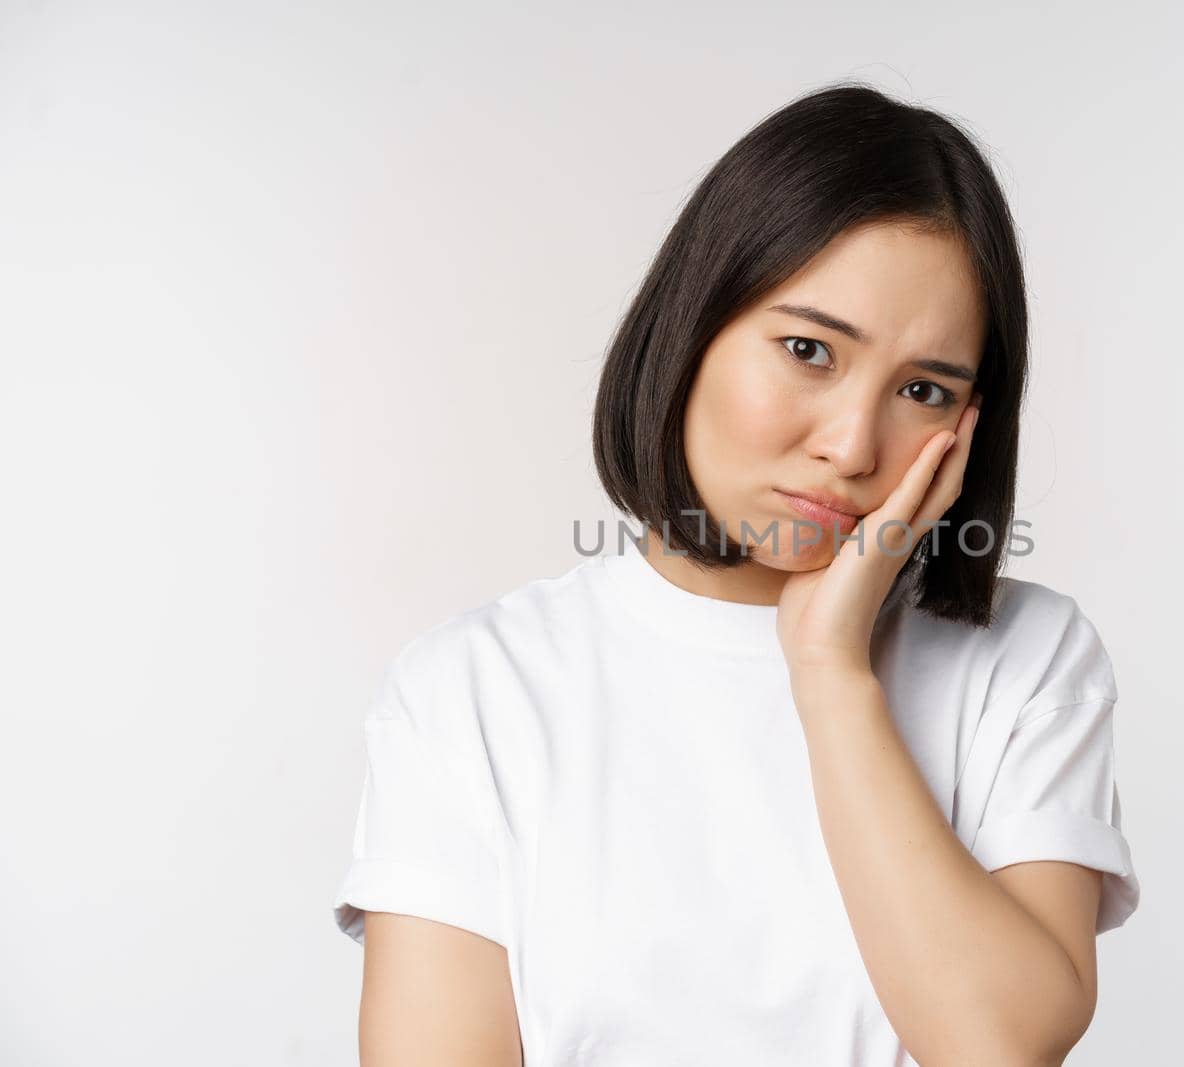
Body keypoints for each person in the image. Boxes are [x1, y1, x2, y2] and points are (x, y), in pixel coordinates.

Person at [331, 80, 1140, 1067]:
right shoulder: (474, 687)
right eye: (808, 350)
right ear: (693, 328)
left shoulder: (1026, 661)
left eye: (923, 389)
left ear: (970, 425)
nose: (850, 445)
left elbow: (1000, 1046)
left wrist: (830, 672)